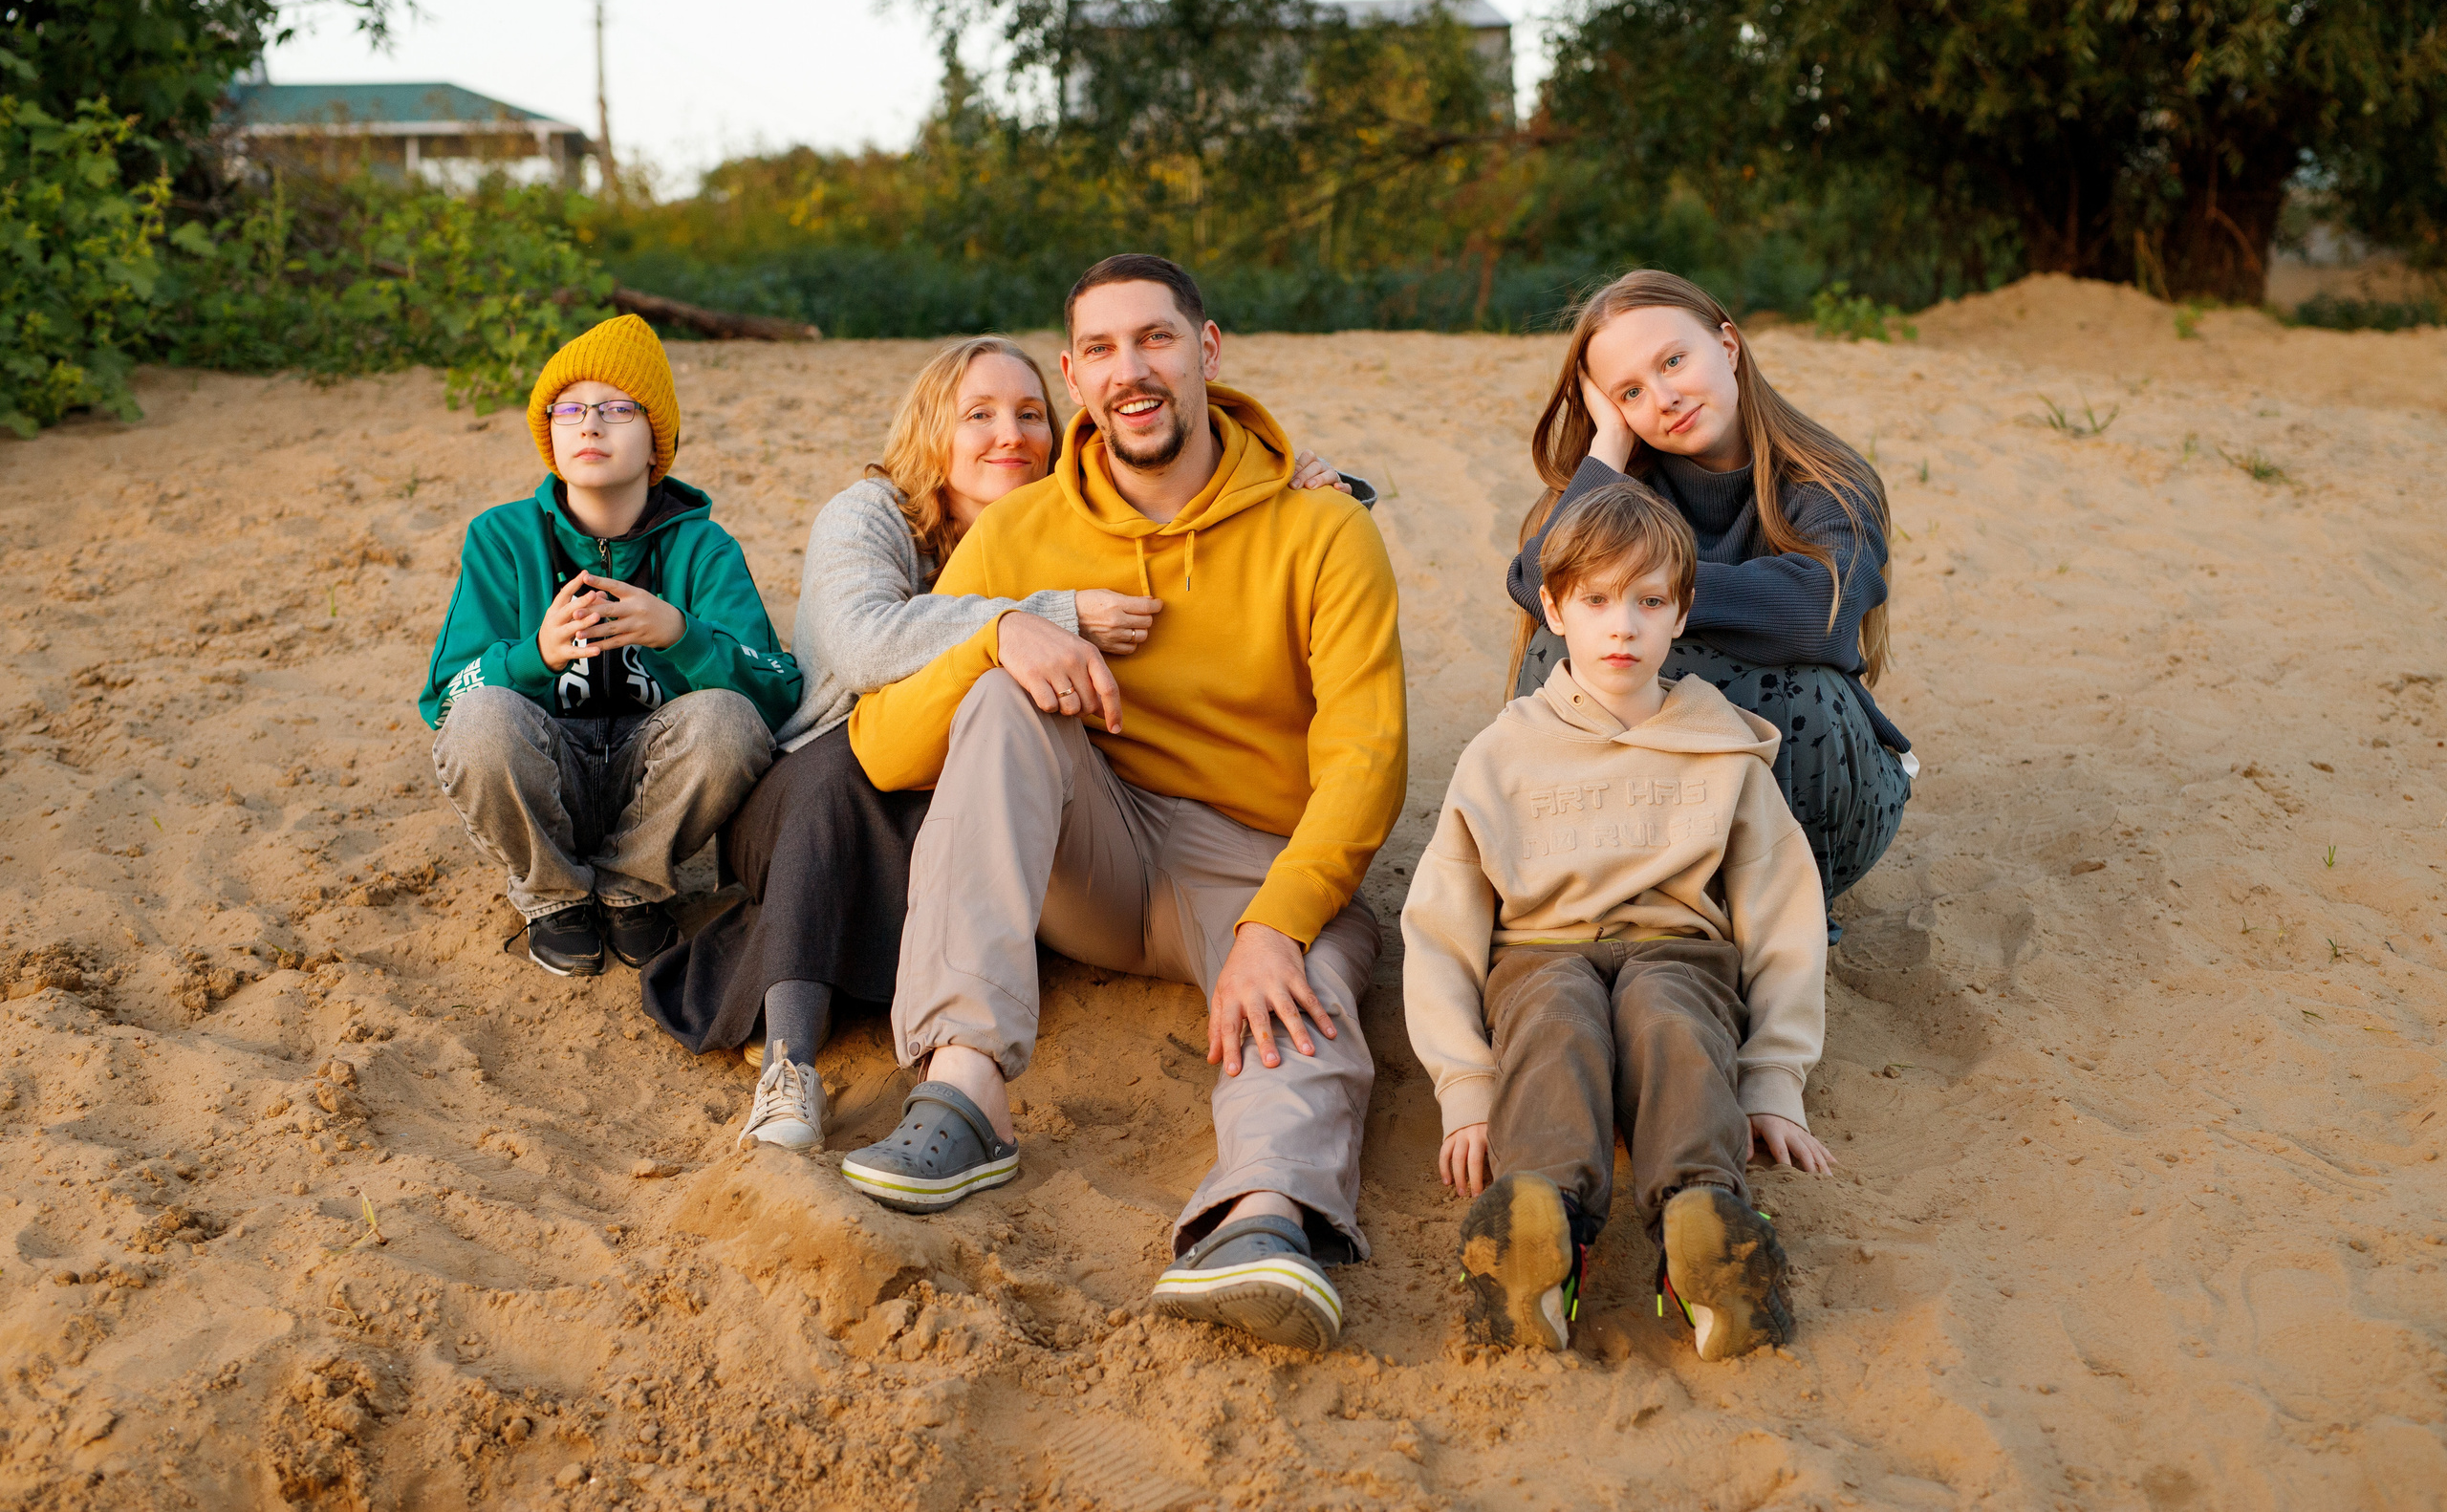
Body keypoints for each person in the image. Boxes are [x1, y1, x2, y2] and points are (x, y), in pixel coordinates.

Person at [838, 254, 1406, 1354]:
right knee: (1002, 702)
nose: (1129, 371)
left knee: (1304, 994)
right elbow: (885, 746)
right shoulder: (1018, 534)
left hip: (1248, 862)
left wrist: (1278, 922)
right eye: (1099, 349)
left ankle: (1262, 1219)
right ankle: (962, 1091)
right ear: (1071, 373)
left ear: (1207, 349)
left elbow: (1367, 755)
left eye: (1154, 339)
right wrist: (1002, 631)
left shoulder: (1323, 529)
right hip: (1086, 850)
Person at [637, 335, 1360, 1152]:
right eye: (977, 414)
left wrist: (1291, 476)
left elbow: (1182, 506)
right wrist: (1040, 617)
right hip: (819, 779)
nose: (1009, 434)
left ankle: (947, 1055)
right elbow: (864, 645)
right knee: (842, 771)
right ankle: (790, 1060)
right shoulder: (871, 515)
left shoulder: (1066, 524)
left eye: (1028, 414)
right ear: (931, 433)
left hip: (946, 790)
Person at [1405, 479, 1833, 1362]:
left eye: (1648, 601)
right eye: (1597, 600)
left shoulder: (1723, 747)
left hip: (1678, 954)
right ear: (1555, 608)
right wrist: (1464, 1087)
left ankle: (1705, 1236)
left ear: (1680, 614)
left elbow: (1783, 914)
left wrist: (1775, 1077)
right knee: (1555, 1029)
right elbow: (1442, 925)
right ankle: (1538, 1238)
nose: (1623, 626)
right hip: (1540, 953)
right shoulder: (1503, 751)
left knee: (1672, 1026)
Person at [1506, 270, 1914, 911]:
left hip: (1823, 788)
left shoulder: (1824, 479)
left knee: (1807, 690)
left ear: (1728, 346)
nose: (1664, 397)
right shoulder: (1621, 486)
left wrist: (1646, 593)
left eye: (1674, 360)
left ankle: (1789, 912)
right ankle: (1614, 890)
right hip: (1664, 802)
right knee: (1558, 659)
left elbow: (1823, 612)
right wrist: (1607, 453)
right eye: (1631, 392)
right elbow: (1538, 585)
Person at [421, 314, 802, 978]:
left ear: (657, 442)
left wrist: (683, 637)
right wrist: (532, 656)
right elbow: (445, 700)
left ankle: (632, 887)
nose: (590, 424)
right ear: (550, 438)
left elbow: (775, 693)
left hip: (652, 783)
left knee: (729, 722)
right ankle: (554, 897)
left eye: (617, 408)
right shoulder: (502, 538)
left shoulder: (703, 548)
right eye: (568, 409)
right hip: (546, 770)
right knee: (482, 720)